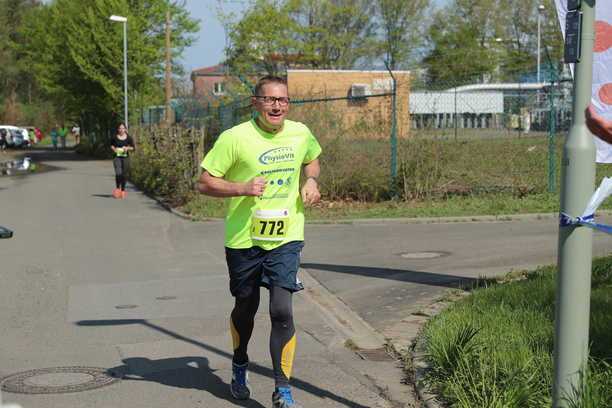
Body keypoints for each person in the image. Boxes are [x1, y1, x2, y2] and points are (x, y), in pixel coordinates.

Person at [197, 75, 321, 408]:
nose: (277, 106)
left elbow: (312, 158)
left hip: (286, 237)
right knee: (245, 307)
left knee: (281, 310)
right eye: (269, 99)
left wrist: (310, 181)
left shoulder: (300, 133)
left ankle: (283, 389)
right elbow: (205, 182)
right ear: (255, 103)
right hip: (244, 240)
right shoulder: (234, 138)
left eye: (283, 100)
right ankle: (240, 362)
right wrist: (242, 188)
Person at [110, 123, 134, 199]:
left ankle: (123, 190)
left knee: (124, 174)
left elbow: (133, 147)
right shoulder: (114, 137)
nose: (121, 130)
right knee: (118, 173)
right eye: (120, 128)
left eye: (123, 128)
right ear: (118, 129)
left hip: (125, 158)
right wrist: (114, 149)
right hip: (117, 157)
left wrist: (127, 148)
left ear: (125, 129)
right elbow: (111, 145)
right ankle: (118, 188)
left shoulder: (129, 138)